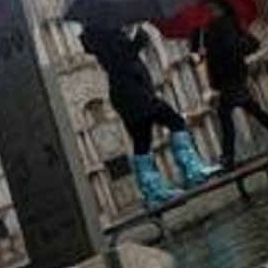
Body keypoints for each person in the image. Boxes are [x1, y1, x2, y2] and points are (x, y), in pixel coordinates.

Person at [81, 24, 220, 209]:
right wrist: (138, 36)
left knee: (142, 142)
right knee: (175, 121)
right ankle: (192, 171)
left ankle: (154, 192)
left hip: (128, 95)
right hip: (135, 94)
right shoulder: (106, 37)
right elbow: (124, 58)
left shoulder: (100, 38)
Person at [190, 0, 268, 171]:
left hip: (232, 74)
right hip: (229, 76)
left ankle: (228, 157)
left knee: (224, 114)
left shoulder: (223, 23)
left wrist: (209, 50)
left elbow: (235, 47)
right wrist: (204, 52)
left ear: (219, 6)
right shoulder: (214, 25)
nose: (209, 10)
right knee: (252, 108)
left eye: (211, 7)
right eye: (208, 7)